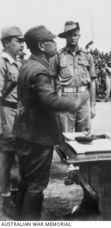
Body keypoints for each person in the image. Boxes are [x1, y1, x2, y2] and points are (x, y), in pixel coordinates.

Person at [11, 25, 89, 220]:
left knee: (26, 182)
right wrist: (76, 102)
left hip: (25, 133)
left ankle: (18, 220)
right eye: (52, 41)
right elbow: (49, 100)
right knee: (36, 186)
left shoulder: (29, 65)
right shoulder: (39, 70)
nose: (55, 44)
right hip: (37, 137)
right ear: (41, 45)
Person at [50, 21, 97, 133]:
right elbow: (52, 81)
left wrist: (93, 105)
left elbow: (93, 82)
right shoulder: (58, 56)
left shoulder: (87, 56)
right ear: (65, 37)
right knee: (66, 136)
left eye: (75, 34)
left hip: (84, 97)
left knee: (85, 135)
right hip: (65, 98)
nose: (72, 38)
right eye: (69, 35)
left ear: (79, 35)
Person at [0, 26, 24, 218]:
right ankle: (5, 199)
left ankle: (15, 195)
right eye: (17, 41)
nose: (22, 44)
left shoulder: (18, 62)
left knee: (17, 156)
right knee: (6, 157)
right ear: (7, 43)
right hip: (7, 113)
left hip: (19, 113)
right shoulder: (2, 62)